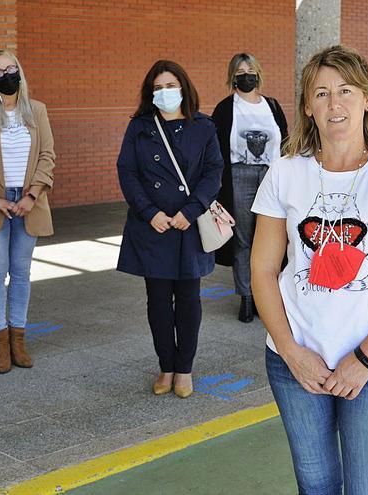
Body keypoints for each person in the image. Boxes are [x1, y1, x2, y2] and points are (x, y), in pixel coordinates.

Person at [250, 45, 368, 495]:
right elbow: (261, 271)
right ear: (308, 107)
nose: (335, 104)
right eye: (321, 93)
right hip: (296, 362)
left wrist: (365, 358)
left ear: (367, 99)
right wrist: (291, 352)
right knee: (315, 485)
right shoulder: (284, 173)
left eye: (346, 90)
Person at [116, 60, 224, 398]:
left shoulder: (203, 127)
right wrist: (150, 212)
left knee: (189, 300)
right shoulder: (140, 127)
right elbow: (127, 172)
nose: (165, 93)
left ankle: (185, 368)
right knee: (158, 302)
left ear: (184, 87)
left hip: (188, 226)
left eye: (170, 86)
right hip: (154, 228)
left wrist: (191, 211)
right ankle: (166, 365)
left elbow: (213, 171)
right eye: (158, 88)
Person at [0, 49, 56, 374]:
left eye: (10, 68)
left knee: (20, 273)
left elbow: (47, 155)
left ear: (19, 70)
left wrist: (32, 195)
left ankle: (18, 339)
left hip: (29, 202)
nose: (5, 75)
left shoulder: (38, 110)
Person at [211, 53, 288, 323]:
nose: (246, 75)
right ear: (233, 76)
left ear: (258, 73)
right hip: (238, 176)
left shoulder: (273, 106)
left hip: (271, 176)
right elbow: (214, 148)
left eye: (250, 70)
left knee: (271, 237)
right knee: (244, 238)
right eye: (240, 71)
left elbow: (286, 143)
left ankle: (268, 294)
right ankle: (247, 296)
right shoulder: (224, 109)